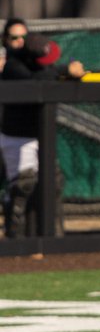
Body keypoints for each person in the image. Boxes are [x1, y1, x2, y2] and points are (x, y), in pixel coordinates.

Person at [1, 22, 84, 238]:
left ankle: (53, 237)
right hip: (17, 136)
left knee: (53, 182)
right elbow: (34, 82)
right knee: (23, 185)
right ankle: (16, 239)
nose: (19, 42)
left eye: (23, 37)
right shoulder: (12, 66)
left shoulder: (39, 65)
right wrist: (64, 70)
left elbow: (47, 70)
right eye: (14, 38)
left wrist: (70, 69)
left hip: (40, 135)